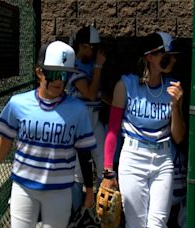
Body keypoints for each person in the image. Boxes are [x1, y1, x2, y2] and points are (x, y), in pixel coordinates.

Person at [0, 41, 97, 228]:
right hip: (24, 188)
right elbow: (4, 142)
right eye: (54, 73)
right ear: (39, 72)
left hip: (60, 190)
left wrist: (89, 191)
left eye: (64, 75)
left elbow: (84, 153)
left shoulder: (77, 109)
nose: (59, 81)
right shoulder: (18, 103)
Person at [101, 31, 186, 228]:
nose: (173, 59)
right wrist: (107, 172)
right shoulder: (126, 85)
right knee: (135, 224)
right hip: (133, 157)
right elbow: (113, 130)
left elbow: (179, 137)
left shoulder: (173, 87)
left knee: (158, 224)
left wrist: (176, 106)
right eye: (167, 55)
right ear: (150, 57)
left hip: (163, 159)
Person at [67, 25, 107, 212]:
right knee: (77, 172)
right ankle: (76, 211)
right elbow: (90, 94)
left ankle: (101, 210)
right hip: (78, 125)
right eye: (91, 47)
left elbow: (98, 94)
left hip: (95, 120)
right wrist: (99, 66)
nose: (94, 51)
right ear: (82, 46)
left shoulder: (90, 65)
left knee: (104, 164)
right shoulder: (74, 66)